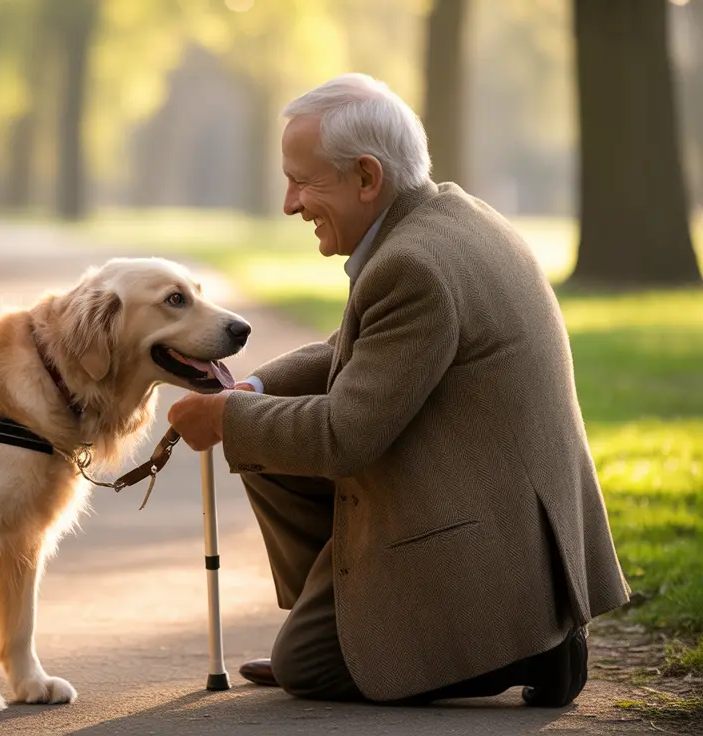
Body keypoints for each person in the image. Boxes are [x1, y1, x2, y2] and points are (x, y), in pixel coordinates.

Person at [166, 73, 630, 706]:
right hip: (497, 506)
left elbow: (342, 438)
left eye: (303, 180)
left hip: (489, 537)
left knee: (306, 665)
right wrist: (250, 388)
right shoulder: (452, 217)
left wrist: (226, 420)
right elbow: (351, 348)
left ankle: (529, 648)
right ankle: (359, 629)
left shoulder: (412, 267)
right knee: (263, 439)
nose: (289, 203)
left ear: (366, 177)